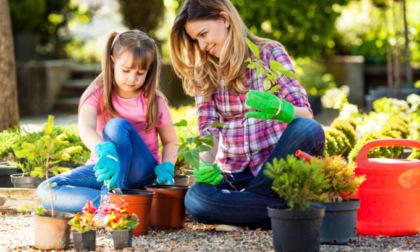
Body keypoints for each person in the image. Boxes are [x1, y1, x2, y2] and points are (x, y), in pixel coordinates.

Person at [170, 0, 325, 229]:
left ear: (225, 19)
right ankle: (285, 209)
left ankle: (242, 211)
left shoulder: (269, 53)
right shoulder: (204, 71)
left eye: (203, 34)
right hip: (236, 172)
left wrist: (283, 109)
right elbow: (209, 127)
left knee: (308, 128)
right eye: (196, 39)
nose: (202, 44)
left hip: (277, 167)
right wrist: (204, 165)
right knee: (196, 198)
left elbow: (306, 115)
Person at [37, 30, 178, 212]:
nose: (132, 78)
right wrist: (104, 151)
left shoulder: (154, 100)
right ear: (112, 62)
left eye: (140, 72)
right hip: (106, 168)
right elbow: (85, 127)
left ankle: (111, 197)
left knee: (116, 125)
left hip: (141, 173)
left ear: (149, 70)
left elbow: (171, 141)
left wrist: (167, 166)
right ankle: (113, 206)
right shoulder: (97, 93)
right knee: (47, 190)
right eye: (126, 70)